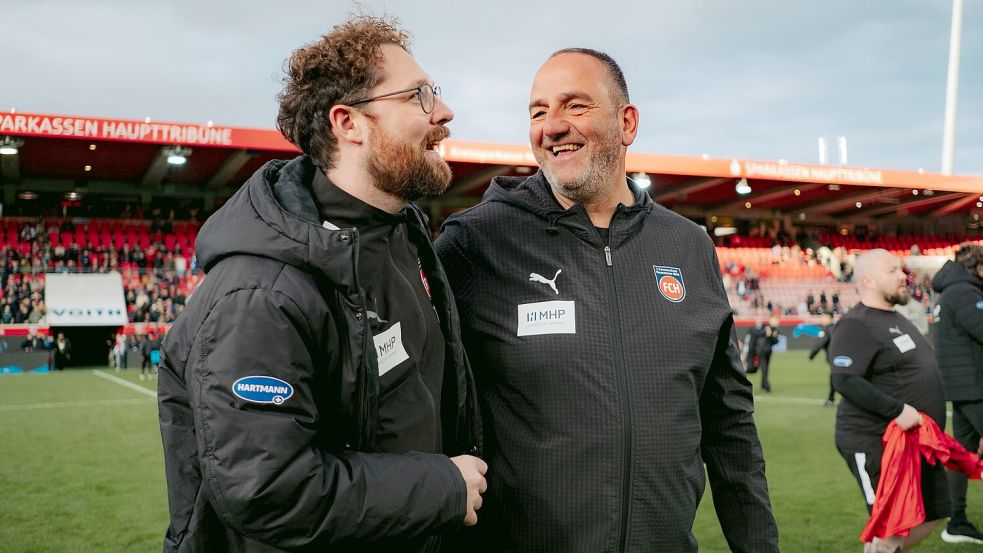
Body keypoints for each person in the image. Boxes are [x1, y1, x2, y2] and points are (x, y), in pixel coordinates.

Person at [157, 15, 485, 553]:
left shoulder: (402, 242)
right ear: (348, 123)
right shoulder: (260, 292)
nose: (443, 112)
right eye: (419, 96)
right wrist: (441, 487)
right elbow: (267, 489)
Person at [435, 48, 777, 552]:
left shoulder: (687, 246)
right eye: (538, 111)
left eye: (575, 106)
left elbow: (728, 423)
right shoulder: (476, 243)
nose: (552, 126)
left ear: (627, 122)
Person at [829, 249, 949, 552]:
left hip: (914, 442)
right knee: (890, 526)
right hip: (874, 442)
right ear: (868, 280)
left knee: (934, 511)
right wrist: (897, 410)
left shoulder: (895, 318)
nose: (902, 276)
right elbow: (844, 379)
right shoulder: (856, 323)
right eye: (893, 270)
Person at [931, 243, 983, 543]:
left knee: (961, 456)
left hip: (962, 386)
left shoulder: (952, 290)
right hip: (974, 386)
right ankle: (956, 520)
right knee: (961, 455)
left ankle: (957, 520)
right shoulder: (964, 292)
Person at [808, 312, 836, 406]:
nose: (822, 319)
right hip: (842, 357)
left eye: (824, 317)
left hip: (833, 358)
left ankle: (831, 399)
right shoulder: (837, 328)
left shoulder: (826, 330)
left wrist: (812, 355)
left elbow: (820, 343)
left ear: (829, 318)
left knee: (835, 378)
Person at [748, 315, 781, 392]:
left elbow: (775, 341)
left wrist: (771, 335)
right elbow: (756, 336)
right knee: (764, 368)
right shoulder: (763, 328)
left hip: (768, 352)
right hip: (761, 352)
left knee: (765, 368)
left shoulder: (773, 330)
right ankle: (766, 385)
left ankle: (764, 384)